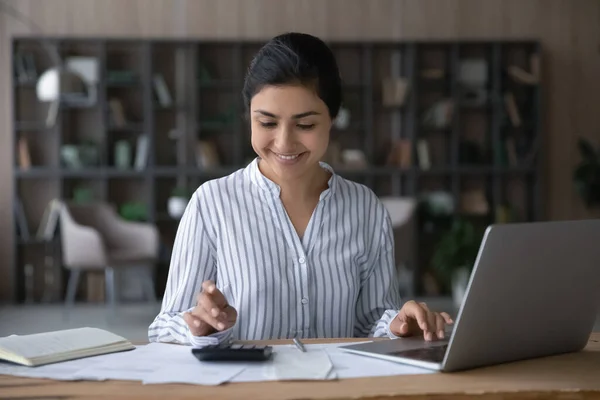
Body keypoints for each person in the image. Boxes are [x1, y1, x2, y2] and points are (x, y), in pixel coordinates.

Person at [148, 32, 453, 347]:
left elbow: (368, 322)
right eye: (267, 123)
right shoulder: (211, 204)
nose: (283, 143)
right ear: (248, 117)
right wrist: (201, 327)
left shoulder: (365, 208)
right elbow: (164, 327)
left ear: (333, 119)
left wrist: (398, 324)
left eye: (305, 125)